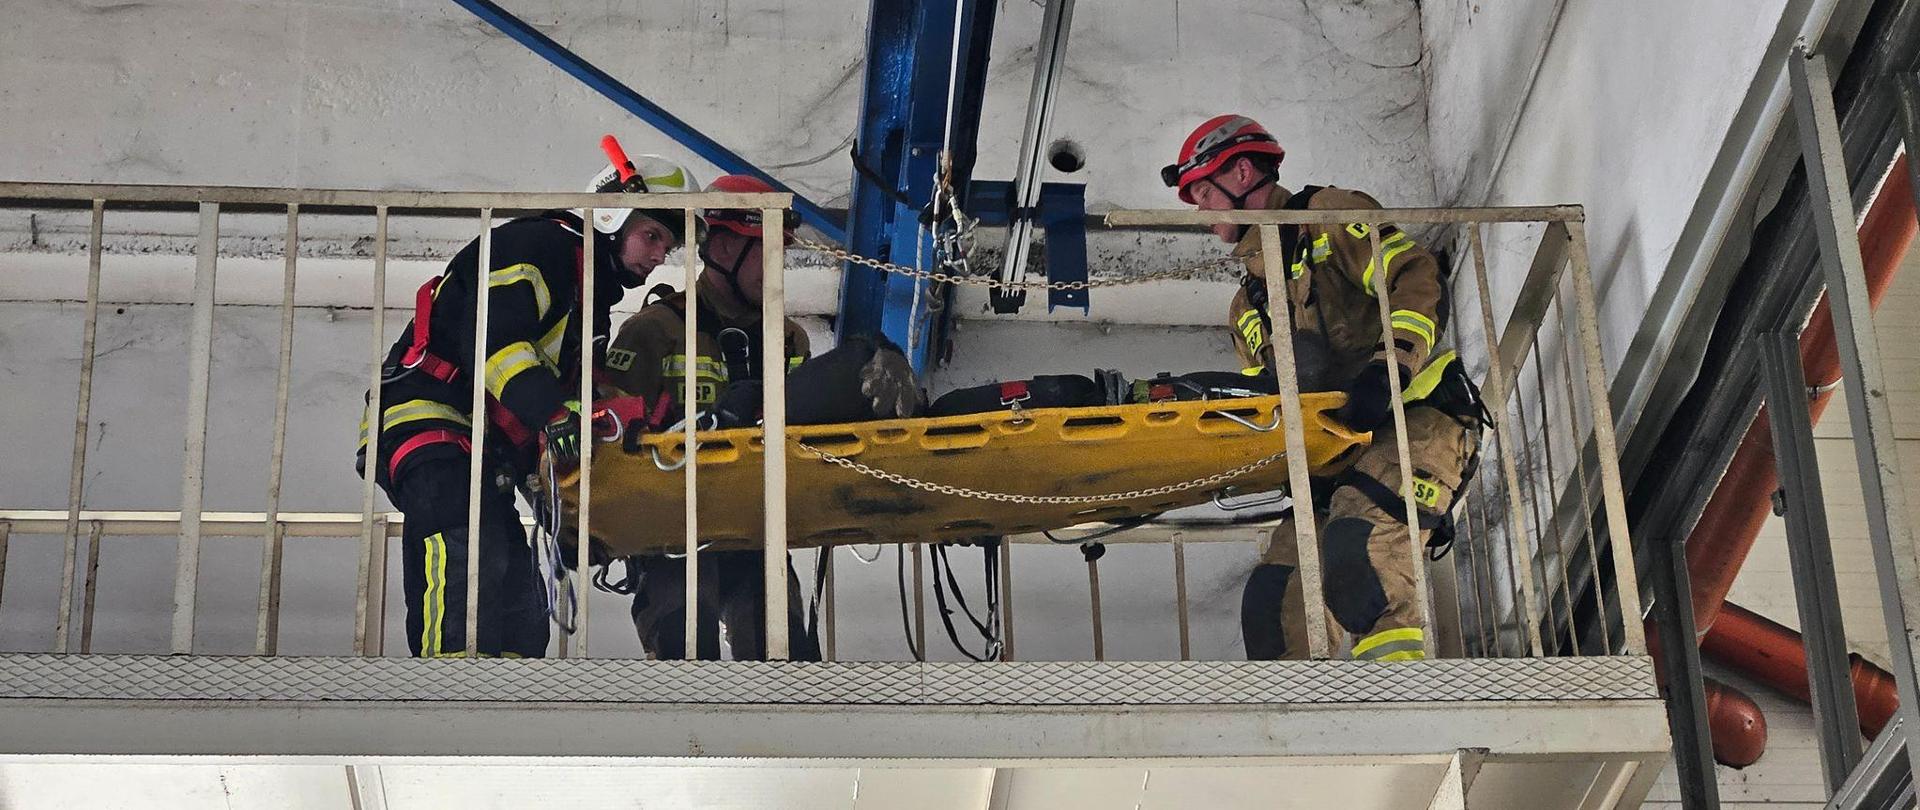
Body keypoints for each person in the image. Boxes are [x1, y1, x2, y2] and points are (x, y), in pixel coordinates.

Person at [1162, 114, 1485, 662]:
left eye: (1203, 193)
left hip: (1417, 420)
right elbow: (1263, 403)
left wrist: (1390, 369)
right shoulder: (1247, 305)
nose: (1202, 214)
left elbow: (1414, 275)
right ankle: (1309, 736)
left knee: (1359, 556)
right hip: (1331, 459)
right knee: (1275, 604)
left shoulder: (1327, 218)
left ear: (1242, 173)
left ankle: (1400, 704)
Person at [356, 141, 695, 657]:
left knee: (517, 590)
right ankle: (443, 687)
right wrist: (556, 416)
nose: (657, 256)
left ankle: (505, 702)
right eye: (652, 235)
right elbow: (495, 341)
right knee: (468, 547)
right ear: (610, 216)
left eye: (666, 247)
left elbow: (564, 399)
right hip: (427, 416)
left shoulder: (588, 293)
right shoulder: (541, 246)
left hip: (481, 439)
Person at [600, 174, 823, 662]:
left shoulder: (788, 340)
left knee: (782, 645)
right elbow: (612, 440)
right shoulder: (653, 332)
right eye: (765, 252)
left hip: (755, 524)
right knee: (683, 635)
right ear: (721, 247)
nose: (776, 269)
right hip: (670, 529)